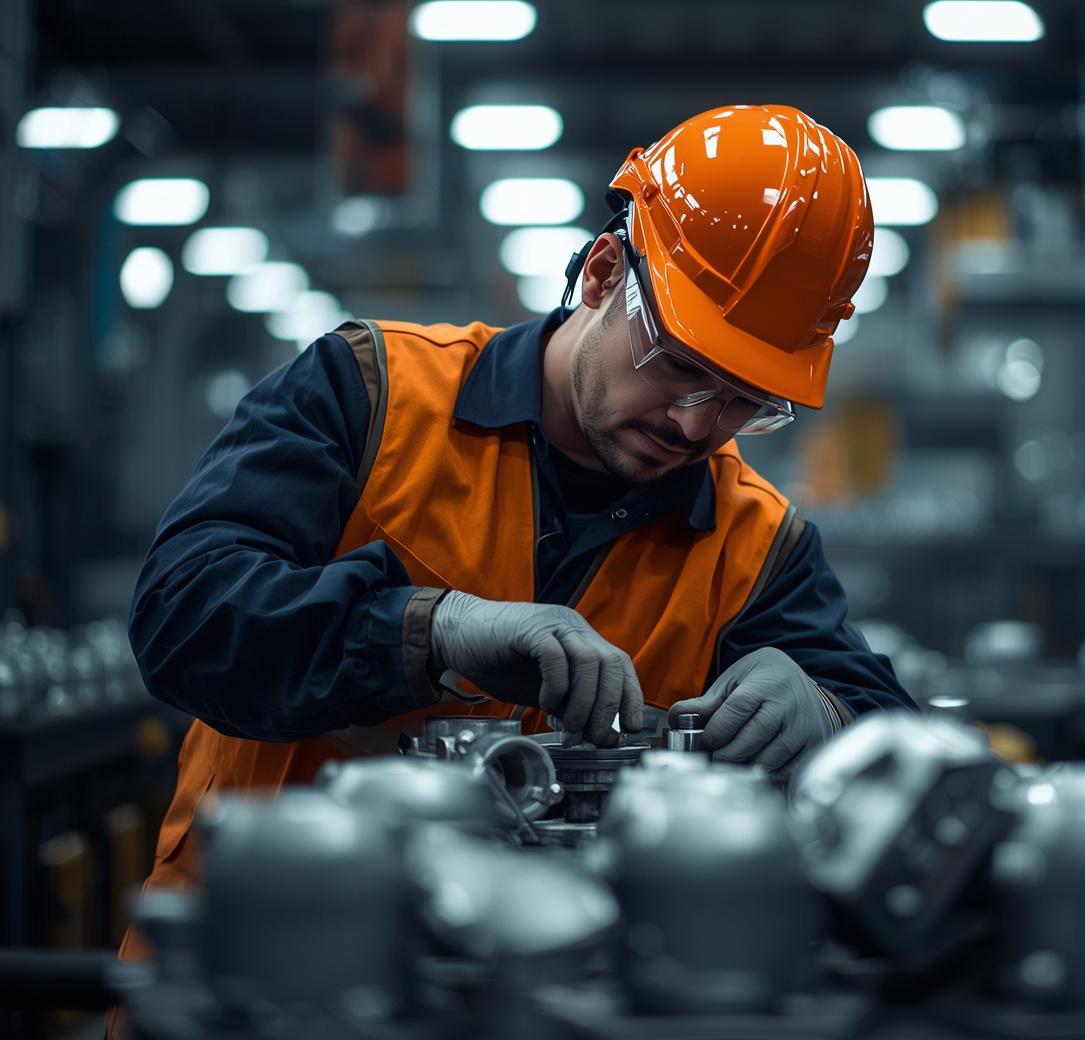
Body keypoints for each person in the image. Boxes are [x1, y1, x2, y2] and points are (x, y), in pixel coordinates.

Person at [128, 103, 916, 898]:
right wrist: (433, 631)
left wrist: (829, 716)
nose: (697, 422)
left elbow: (899, 747)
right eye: (677, 365)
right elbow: (182, 616)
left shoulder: (755, 545)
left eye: (745, 399)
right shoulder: (366, 394)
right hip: (258, 961)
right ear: (604, 274)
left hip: (542, 989)